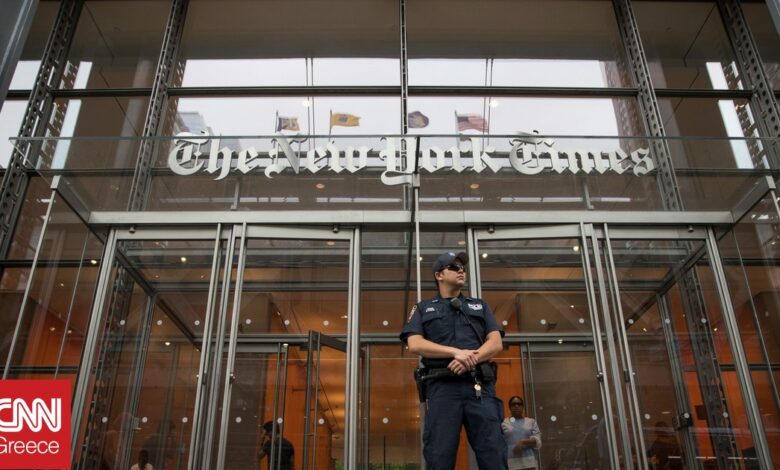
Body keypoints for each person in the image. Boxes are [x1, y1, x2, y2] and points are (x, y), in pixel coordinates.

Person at [400, 251, 507, 470]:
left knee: (494, 453)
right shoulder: (423, 308)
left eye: (463, 268)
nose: (461, 271)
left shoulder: (479, 306)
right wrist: (455, 352)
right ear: (439, 275)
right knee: (439, 455)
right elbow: (415, 344)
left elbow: (495, 343)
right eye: (454, 267)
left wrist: (470, 358)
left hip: (479, 388)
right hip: (442, 390)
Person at [502, 396, 542, 469]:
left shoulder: (531, 421)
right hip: (511, 463)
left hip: (529, 463)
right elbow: (499, 443)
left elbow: (538, 440)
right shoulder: (503, 423)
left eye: (519, 404)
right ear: (509, 407)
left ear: (523, 406)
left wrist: (523, 442)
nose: (516, 406)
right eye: (513, 404)